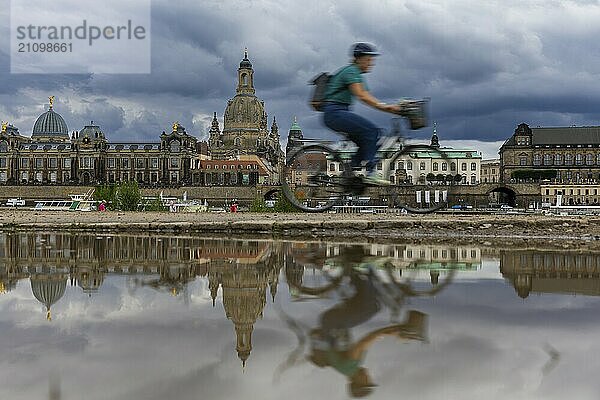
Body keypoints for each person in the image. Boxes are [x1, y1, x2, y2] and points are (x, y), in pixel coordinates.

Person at [322, 42, 402, 186]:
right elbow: (363, 96)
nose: (371, 63)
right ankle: (370, 173)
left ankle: (350, 174)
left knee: (365, 142)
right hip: (335, 112)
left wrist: (388, 108)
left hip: (337, 113)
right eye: (369, 59)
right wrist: (388, 108)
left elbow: (366, 95)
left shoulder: (356, 74)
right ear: (360, 58)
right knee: (372, 131)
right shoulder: (351, 72)